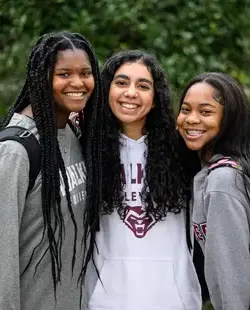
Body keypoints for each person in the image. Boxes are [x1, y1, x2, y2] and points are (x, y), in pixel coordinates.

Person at [85, 50, 202, 310]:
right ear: (106, 90)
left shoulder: (184, 149)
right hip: (106, 300)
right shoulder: (87, 149)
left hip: (173, 298)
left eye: (143, 85)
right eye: (122, 82)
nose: (131, 93)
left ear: (155, 98)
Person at [0, 31, 104, 309]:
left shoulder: (73, 133)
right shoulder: (16, 151)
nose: (78, 83)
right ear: (41, 77)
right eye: (64, 74)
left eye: (85, 73)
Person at [177, 72, 250, 309]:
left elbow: (233, 277)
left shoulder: (222, 180)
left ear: (228, 119)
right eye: (186, 109)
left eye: (206, 112)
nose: (191, 119)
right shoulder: (218, 170)